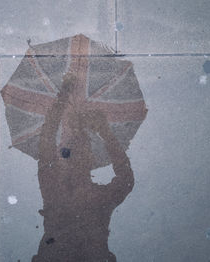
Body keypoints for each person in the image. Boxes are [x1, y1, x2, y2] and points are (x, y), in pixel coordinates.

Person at [32, 74, 134, 262]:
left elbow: (46, 140)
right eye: (77, 149)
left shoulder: (53, 187)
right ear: (91, 160)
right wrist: (104, 131)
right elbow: (126, 180)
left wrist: (63, 96)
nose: (78, 153)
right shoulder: (96, 197)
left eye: (78, 148)